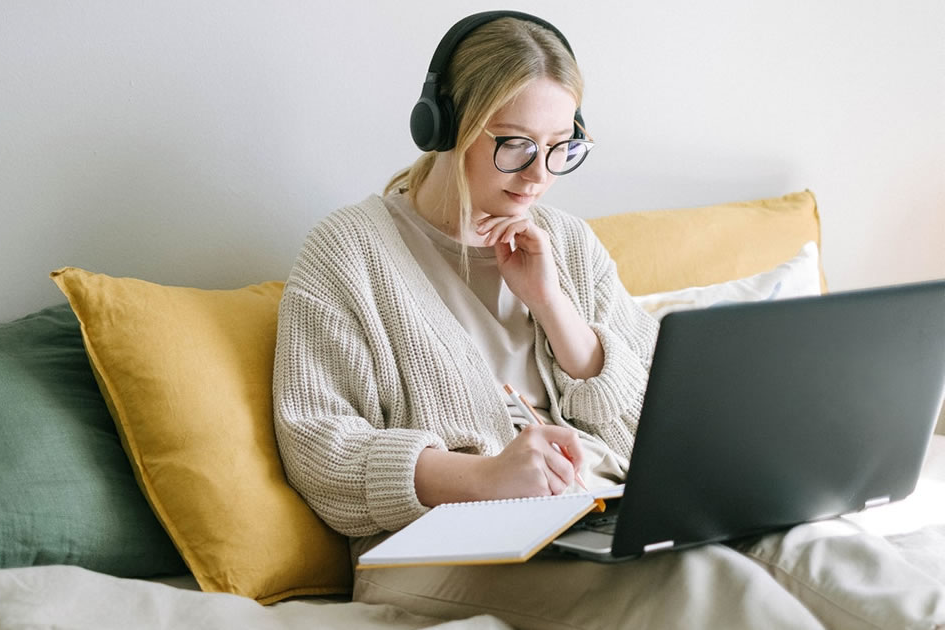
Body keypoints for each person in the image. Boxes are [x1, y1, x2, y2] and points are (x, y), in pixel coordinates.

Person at [272, 11, 944, 629]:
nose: (538, 176)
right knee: (706, 585)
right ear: (445, 128)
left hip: (599, 512)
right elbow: (320, 450)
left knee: (813, 546)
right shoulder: (349, 251)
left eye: (561, 146)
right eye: (514, 145)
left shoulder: (564, 242)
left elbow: (659, 414)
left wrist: (555, 308)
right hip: (433, 551)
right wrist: (481, 477)